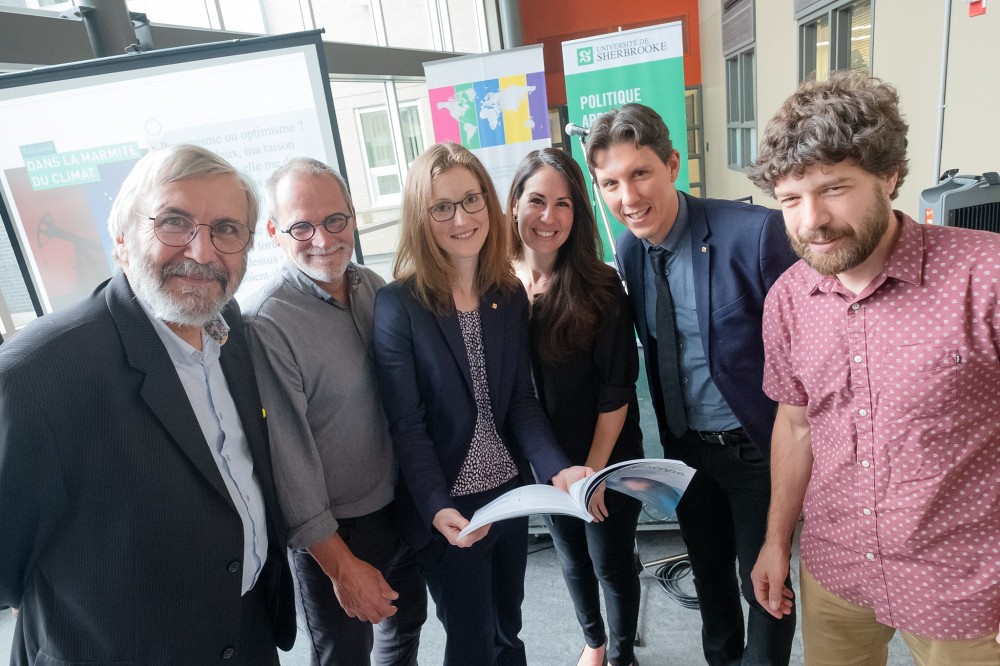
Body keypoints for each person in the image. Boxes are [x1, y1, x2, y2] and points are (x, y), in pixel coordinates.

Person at [0, 144, 296, 664]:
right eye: (174, 222)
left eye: (226, 229)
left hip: (246, 635)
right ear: (121, 240)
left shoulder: (233, 331)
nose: (203, 252)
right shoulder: (37, 376)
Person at [749, 72, 1000, 666]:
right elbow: (796, 425)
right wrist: (777, 541)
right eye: (790, 199)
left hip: (963, 584)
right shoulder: (787, 298)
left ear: (888, 176)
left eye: (834, 188)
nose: (811, 219)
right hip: (837, 572)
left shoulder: (984, 276)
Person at [585, 103, 798, 666]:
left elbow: (804, 353)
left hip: (756, 451)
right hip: (685, 455)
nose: (627, 196)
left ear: (673, 163)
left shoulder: (753, 234)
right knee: (711, 585)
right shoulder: (628, 250)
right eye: (610, 182)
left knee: (768, 590)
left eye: (640, 173)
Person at [372, 142, 591, 666]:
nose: (462, 218)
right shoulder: (398, 305)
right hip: (447, 506)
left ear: (491, 204)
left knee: (509, 630)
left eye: (471, 200)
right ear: (421, 218)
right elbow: (407, 425)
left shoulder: (506, 294)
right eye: (442, 207)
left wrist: (557, 470)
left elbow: (520, 402)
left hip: (507, 497)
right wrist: (437, 507)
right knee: (471, 643)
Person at [242, 158, 427, 666]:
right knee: (345, 655)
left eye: (334, 220)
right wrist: (342, 567)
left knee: (406, 623)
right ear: (276, 233)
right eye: (301, 226)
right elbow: (287, 462)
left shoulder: (370, 285)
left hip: (398, 508)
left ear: (353, 216)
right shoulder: (267, 324)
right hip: (336, 533)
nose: (322, 238)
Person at [506, 147, 643, 666]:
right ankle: (595, 642)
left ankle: (623, 652)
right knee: (571, 556)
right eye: (537, 200)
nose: (549, 217)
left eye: (564, 204)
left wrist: (594, 473)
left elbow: (616, 390)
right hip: (543, 462)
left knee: (610, 560)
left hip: (603, 455)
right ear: (515, 203)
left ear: (578, 213)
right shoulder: (495, 288)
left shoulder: (601, 286)